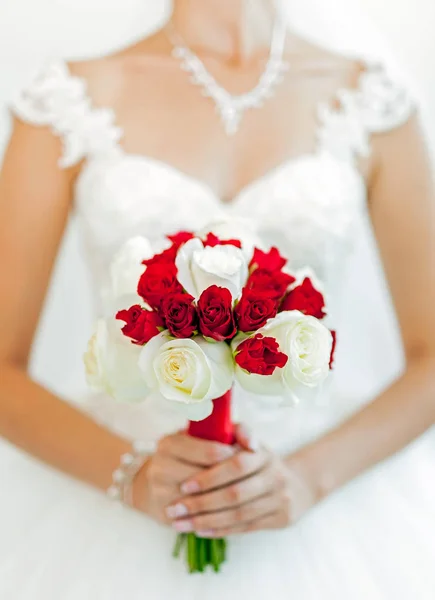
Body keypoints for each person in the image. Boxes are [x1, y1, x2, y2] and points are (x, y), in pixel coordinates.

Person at [0, 0, 434, 597]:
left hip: (326, 508)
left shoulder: (370, 100)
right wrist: (133, 475)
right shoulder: (68, 100)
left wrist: (308, 478)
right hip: (113, 517)